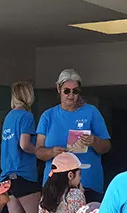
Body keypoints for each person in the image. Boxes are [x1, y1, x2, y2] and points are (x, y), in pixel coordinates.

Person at [35, 69, 111, 203]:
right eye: (66, 91)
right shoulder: (48, 116)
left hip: (87, 182)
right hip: (55, 184)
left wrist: (94, 141)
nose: (71, 95)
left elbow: (106, 146)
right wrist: (52, 152)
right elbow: (38, 151)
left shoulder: (91, 112)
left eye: (75, 91)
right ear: (58, 88)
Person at [0, 81, 40, 213]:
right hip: (24, 175)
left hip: (7, 176)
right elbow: (24, 144)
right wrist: (41, 151)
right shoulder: (26, 116)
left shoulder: (9, 117)